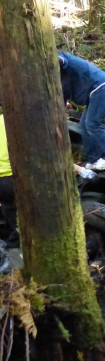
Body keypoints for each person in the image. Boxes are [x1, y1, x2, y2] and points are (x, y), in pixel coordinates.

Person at [58, 52, 105, 171]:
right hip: (95, 92)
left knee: (93, 123)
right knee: (84, 126)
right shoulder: (57, 80)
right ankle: (92, 160)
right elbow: (60, 101)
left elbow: (60, 59)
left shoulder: (58, 58)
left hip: (101, 87)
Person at [0, 113, 23, 272]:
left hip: (2, 180)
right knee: (20, 223)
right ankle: (15, 265)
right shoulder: (18, 120)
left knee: (11, 216)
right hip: (14, 176)